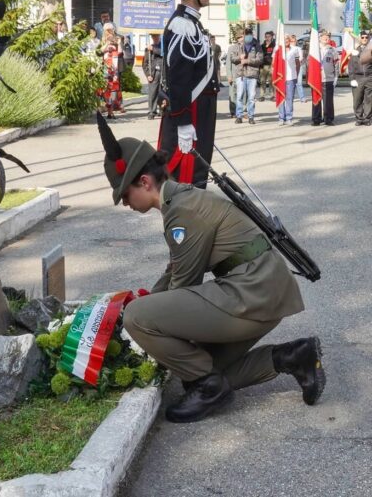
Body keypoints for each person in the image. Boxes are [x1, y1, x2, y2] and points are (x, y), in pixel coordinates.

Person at [96, 113, 325, 423]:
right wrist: (145, 300)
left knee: (143, 321)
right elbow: (175, 269)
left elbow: (183, 284)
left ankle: (209, 387)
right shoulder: (183, 201)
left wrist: (137, 317)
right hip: (263, 292)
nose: (125, 202)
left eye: (125, 194)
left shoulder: (181, 213)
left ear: (145, 182)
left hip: (252, 295)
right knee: (199, 366)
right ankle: (294, 357)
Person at [158, 0, 219, 187]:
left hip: (200, 110)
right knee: (186, 180)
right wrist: (183, 122)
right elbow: (179, 78)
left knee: (197, 177)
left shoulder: (192, 22)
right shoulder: (183, 25)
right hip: (191, 112)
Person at [233, 28, 262, 124]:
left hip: (252, 74)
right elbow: (232, 59)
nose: (248, 36)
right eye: (246, 34)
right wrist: (239, 58)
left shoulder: (257, 46)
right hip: (240, 74)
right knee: (239, 96)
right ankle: (239, 116)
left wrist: (248, 61)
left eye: (250, 34)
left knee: (251, 97)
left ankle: (251, 116)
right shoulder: (237, 46)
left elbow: (260, 60)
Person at [311, 31, 340, 126]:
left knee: (328, 101)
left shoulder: (332, 50)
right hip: (316, 79)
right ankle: (316, 119)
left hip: (328, 79)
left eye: (328, 37)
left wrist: (336, 77)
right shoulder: (314, 50)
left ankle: (328, 119)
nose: (326, 38)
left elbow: (336, 64)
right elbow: (309, 64)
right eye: (324, 37)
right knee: (316, 100)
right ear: (319, 38)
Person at [275, 34, 302, 126]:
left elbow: (298, 64)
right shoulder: (277, 49)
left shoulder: (295, 49)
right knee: (281, 98)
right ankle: (281, 118)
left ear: (289, 40)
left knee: (289, 98)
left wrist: (296, 75)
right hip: (280, 78)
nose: (286, 40)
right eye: (284, 39)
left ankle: (289, 118)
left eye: (287, 39)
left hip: (291, 77)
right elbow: (273, 65)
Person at [97, 27, 123, 118]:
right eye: (108, 35)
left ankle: (111, 111)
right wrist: (107, 43)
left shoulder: (116, 44)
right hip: (106, 71)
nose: (110, 36)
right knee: (106, 92)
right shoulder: (104, 44)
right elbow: (101, 51)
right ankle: (109, 111)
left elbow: (120, 52)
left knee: (114, 92)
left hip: (114, 71)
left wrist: (119, 43)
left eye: (111, 34)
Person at [350, 31, 372, 125]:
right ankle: (359, 118)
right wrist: (352, 79)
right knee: (357, 100)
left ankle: (367, 118)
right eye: (362, 37)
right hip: (358, 78)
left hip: (369, 77)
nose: (364, 39)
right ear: (360, 38)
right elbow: (351, 67)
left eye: (366, 37)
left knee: (369, 99)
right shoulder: (355, 51)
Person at [142, 34, 164, 119]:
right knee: (153, 93)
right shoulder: (148, 49)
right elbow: (144, 64)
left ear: (159, 36)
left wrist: (153, 49)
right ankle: (152, 111)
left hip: (163, 73)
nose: (155, 38)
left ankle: (162, 110)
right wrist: (148, 75)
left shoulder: (163, 47)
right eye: (153, 37)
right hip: (153, 74)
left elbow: (162, 53)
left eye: (157, 36)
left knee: (162, 92)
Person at [224, 36, 240, 118]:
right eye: (240, 37)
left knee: (243, 95)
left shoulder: (247, 47)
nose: (242, 38)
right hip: (233, 75)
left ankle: (242, 112)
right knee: (232, 95)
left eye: (243, 36)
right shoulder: (232, 48)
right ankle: (233, 112)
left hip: (243, 75)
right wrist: (229, 75)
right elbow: (228, 63)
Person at [258, 31, 276, 101]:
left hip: (271, 66)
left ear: (271, 37)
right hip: (263, 66)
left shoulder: (274, 45)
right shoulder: (262, 46)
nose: (267, 38)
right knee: (262, 81)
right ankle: (262, 96)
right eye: (266, 37)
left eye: (268, 36)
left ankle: (272, 95)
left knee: (271, 81)